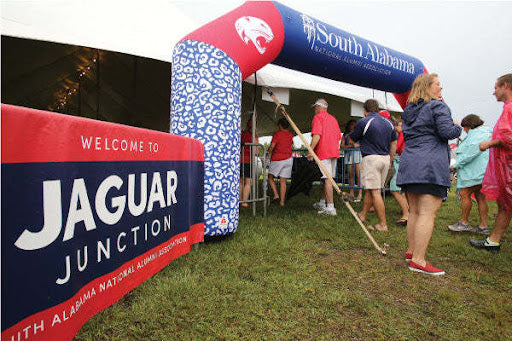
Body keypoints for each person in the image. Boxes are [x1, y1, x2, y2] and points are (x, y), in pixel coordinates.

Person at [397, 73, 462, 275]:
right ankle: (419, 260)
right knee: (426, 212)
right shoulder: (438, 106)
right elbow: (446, 132)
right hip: (430, 164)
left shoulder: (409, 110)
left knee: (414, 211)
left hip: (410, 162)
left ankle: (411, 251)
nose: (441, 88)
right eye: (437, 84)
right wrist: (457, 127)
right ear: (427, 87)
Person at [470, 73, 512, 252]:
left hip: (508, 165)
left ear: (506, 86)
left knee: (507, 202)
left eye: (496, 87)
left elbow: (509, 137)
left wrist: (489, 143)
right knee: (504, 204)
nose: (493, 92)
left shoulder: (510, 108)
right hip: (504, 165)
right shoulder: (507, 108)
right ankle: (493, 241)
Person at [349, 99, 397, 232]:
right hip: (385, 158)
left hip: (371, 159)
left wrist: (361, 142)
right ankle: (363, 215)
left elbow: (352, 138)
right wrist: (391, 158)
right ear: (377, 109)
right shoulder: (388, 123)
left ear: (365, 110)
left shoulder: (364, 122)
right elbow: (394, 142)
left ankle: (383, 224)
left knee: (375, 191)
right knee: (371, 189)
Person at [448, 114, 492, 234]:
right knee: (480, 196)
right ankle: (483, 226)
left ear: (469, 126)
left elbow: (470, 154)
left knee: (464, 193)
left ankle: (464, 223)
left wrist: (455, 166)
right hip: (483, 171)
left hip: (475, 173)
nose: (465, 131)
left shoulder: (476, 136)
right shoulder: (486, 132)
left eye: (465, 128)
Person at [309, 98, 342, 216]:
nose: (314, 110)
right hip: (334, 151)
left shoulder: (318, 117)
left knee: (327, 179)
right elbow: (339, 136)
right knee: (326, 179)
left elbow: (317, 135)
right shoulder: (333, 119)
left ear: (318, 107)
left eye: (315, 107)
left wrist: (310, 149)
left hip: (323, 151)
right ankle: (322, 202)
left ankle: (331, 207)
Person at [268, 118, 294, 207]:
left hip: (278, 158)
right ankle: (282, 202)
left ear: (280, 125)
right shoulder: (290, 135)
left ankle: (276, 194)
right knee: (283, 181)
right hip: (289, 159)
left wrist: (267, 152)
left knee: (270, 177)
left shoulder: (277, 134)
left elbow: (272, 146)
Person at [389, 116, 409, 226]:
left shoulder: (402, 134)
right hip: (407, 161)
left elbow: (396, 147)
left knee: (395, 189)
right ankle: (407, 210)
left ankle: (406, 215)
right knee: (403, 190)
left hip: (402, 161)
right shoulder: (409, 133)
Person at [340, 120, 362, 202]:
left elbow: (362, 144)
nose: (353, 126)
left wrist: (354, 145)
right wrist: (350, 146)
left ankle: (360, 193)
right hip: (348, 154)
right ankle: (351, 192)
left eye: (354, 125)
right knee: (350, 174)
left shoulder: (359, 134)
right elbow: (341, 146)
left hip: (357, 154)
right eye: (351, 124)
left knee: (358, 174)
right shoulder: (345, 135)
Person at [240, 118, 259, 208]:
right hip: (248, 160)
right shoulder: (254, 137)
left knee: (240, 182)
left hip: (240, 159)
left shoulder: (242, 133)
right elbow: (257, 152)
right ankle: (244, 202)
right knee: (248, 182)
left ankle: (239, 200)